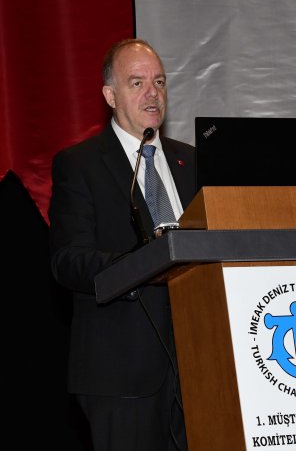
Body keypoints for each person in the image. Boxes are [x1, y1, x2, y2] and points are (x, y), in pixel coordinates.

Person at [48, 38, 197, 451]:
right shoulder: (80, 165)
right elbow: (67, 261)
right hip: (121, 371)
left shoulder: (192, 161)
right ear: (110, 95)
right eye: (137, 83)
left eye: (159, 82)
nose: (153, 93)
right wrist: (144, 266)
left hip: (199, 364)